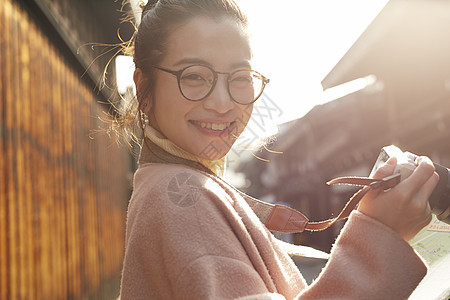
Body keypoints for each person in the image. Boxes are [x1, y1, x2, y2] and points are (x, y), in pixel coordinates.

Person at [117, 0, 439, 299]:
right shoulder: (182, 199)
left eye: (240, 77)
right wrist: (379, 238)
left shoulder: (169, 187)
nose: (222, 103)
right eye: (195, 76)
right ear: (144, 86)